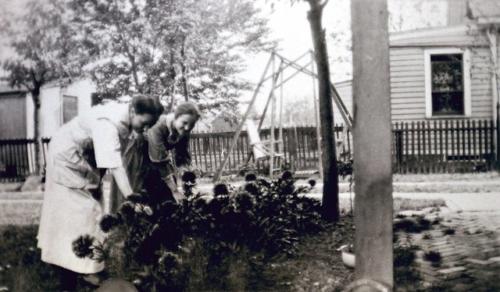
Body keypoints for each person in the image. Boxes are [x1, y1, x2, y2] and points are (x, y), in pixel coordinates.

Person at [37, 94, 163, 287]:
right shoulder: (108, 124)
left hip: (82, 161)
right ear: (132, 111)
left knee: (90, 209)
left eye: (149, 126)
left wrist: (96, 182)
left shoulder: (125, 120)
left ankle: (75, 264)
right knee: (87, 212)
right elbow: (116, 167)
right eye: (143, 123)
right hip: (66, 159)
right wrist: (132, 197)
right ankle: (85, 270)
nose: (145, 129)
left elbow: (106, 157)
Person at [112, 101, 200, 206]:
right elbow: (159, 161)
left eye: (192, 125)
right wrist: (175, 190)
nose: (187, 128)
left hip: (156, 160)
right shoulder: (157, 126)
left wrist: (187, 180)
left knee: (167, 199)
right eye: (184, 123)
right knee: (139, 196)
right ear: (176, 116)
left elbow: (182, 156)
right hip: (139, 156)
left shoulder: (184, 132)